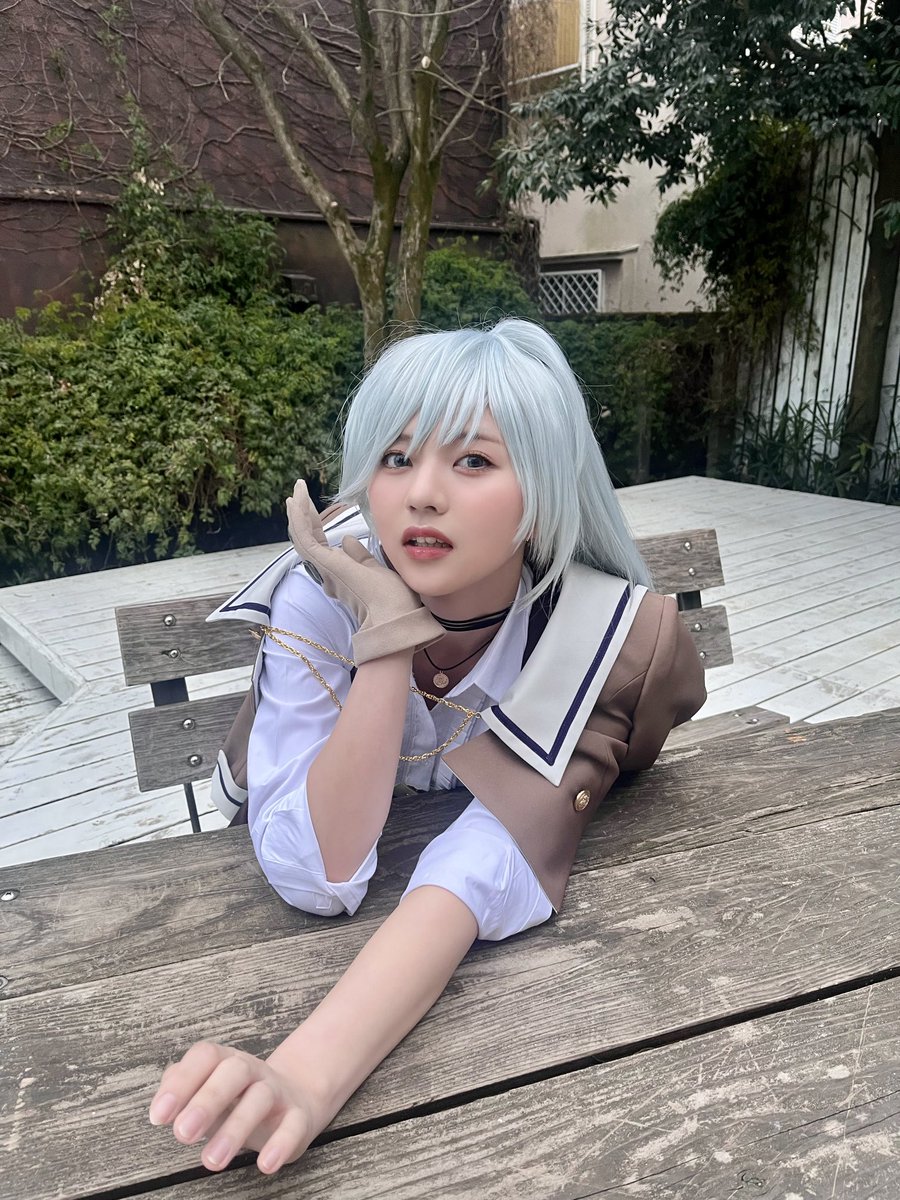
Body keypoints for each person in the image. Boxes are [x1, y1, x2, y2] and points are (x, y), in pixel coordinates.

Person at [147, 318, 706, 1175]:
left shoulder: (600, 638)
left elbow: (481, 859)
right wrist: (385, 631)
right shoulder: (321, 593)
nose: (422, 495)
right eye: (397, 457)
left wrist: (307, 1074)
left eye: (474, 460)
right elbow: (319, 876)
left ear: (543, 494)